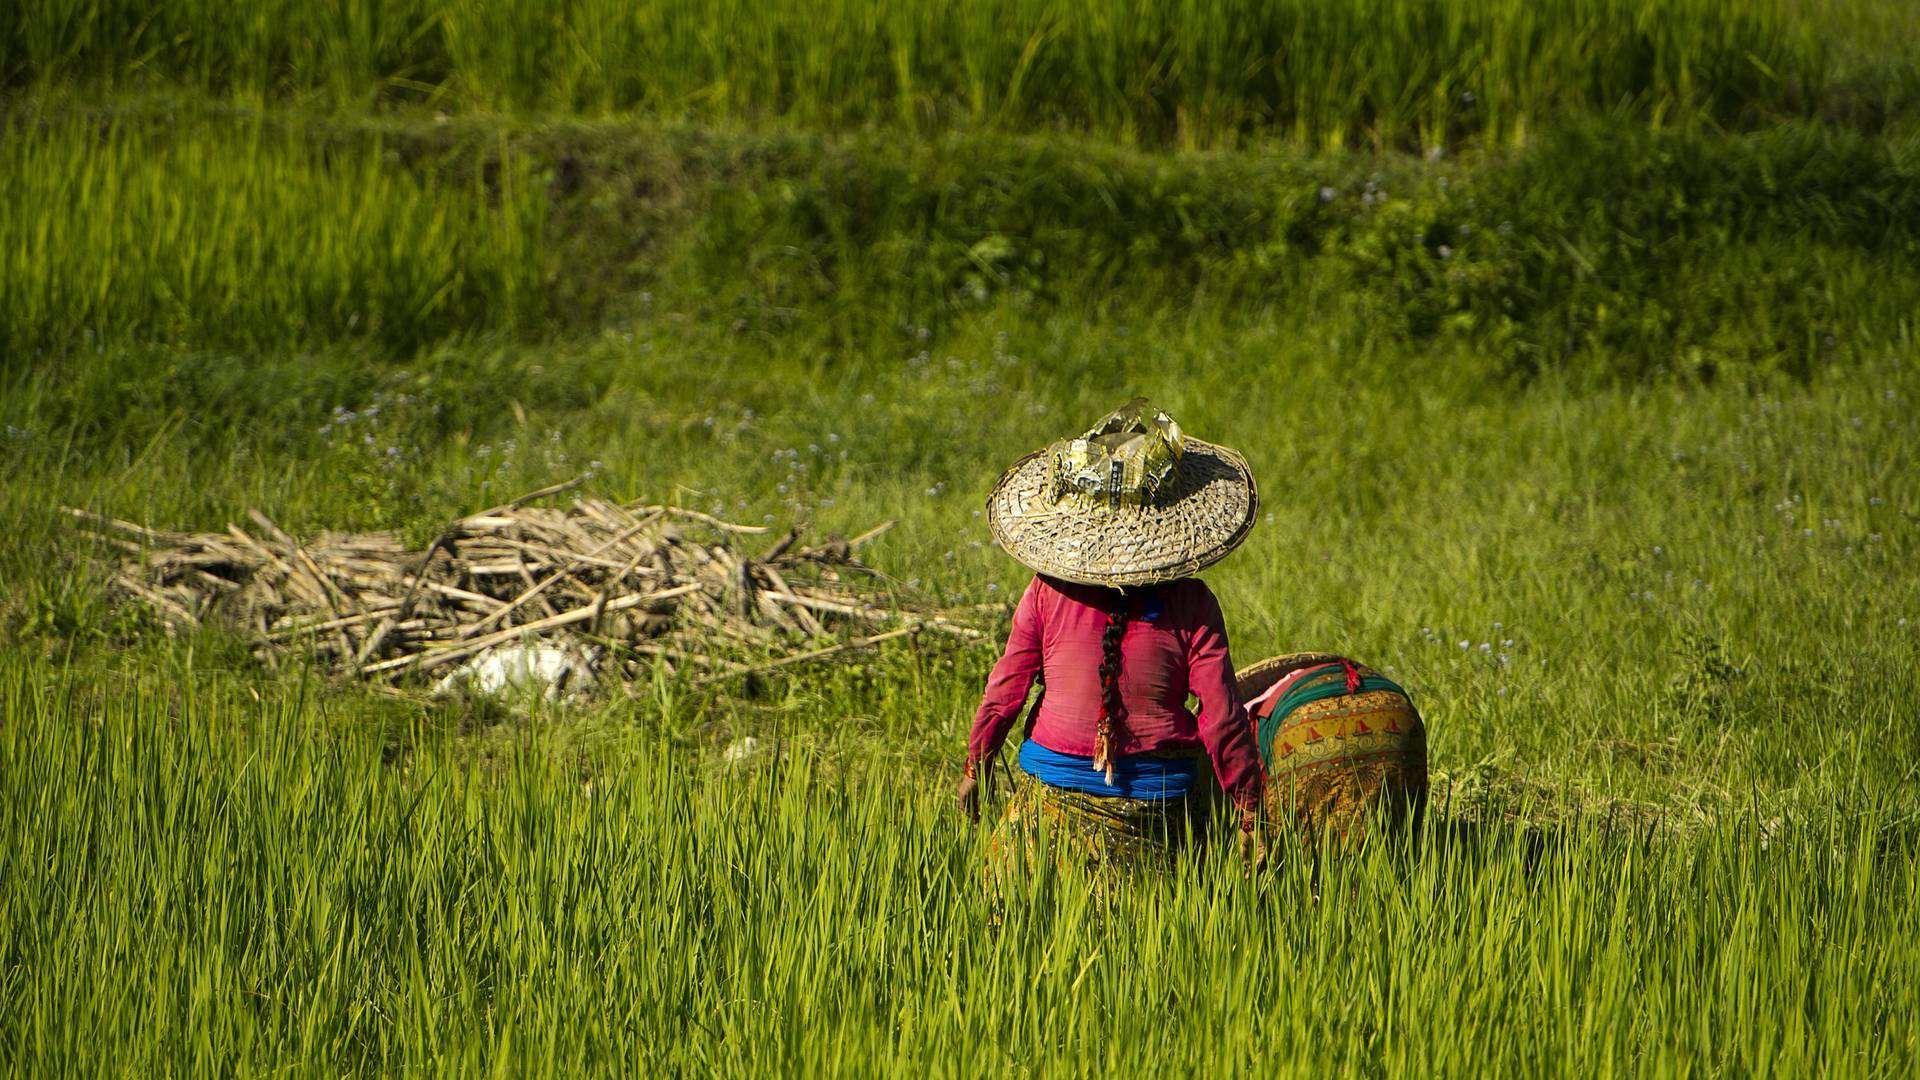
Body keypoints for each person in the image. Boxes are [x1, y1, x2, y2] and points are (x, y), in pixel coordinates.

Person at [957, 399, 1268, 868]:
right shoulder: (1193, 602)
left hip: (1053, 787)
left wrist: (976, 766)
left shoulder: (1046, 592)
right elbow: (1221, 716)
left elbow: (1007, 690)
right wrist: (1249, 807)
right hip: (1160, 798)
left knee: (1012, 912)